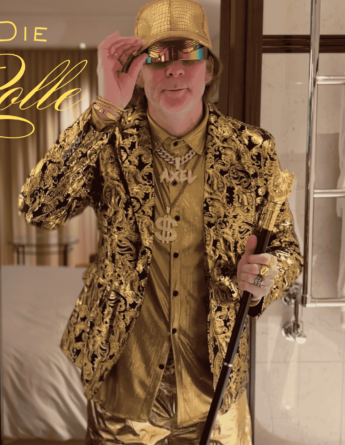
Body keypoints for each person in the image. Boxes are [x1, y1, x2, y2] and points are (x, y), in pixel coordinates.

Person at [18, 0, 303, 443]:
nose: (173, 69)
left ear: (209, 69)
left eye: (189, 53)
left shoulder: (252, 150)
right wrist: (104, 110)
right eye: (156, 56)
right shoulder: (108, 141)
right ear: (138, 73)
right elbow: (38, 206)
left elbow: (286, 250)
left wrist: (268, 274)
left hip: (216, 389)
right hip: (123, 385)